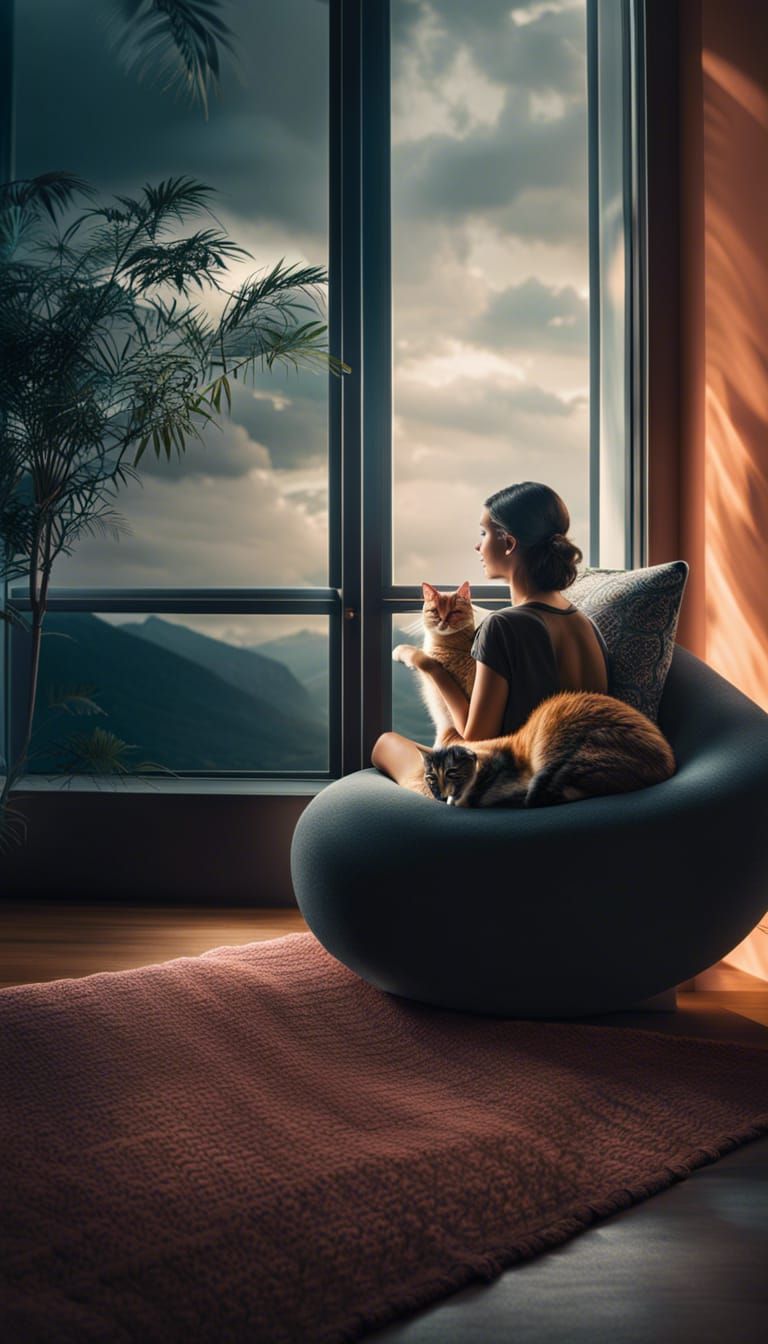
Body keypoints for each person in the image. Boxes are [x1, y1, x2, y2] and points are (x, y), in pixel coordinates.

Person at [371, 480, 612, 790]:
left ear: (509, 544)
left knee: (386, 744)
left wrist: (430, 666)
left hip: (514, 781)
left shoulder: (503, 625)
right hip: (569, 780)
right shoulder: (585, 624)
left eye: (483, 534)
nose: (478, 546)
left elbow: (476, 738)